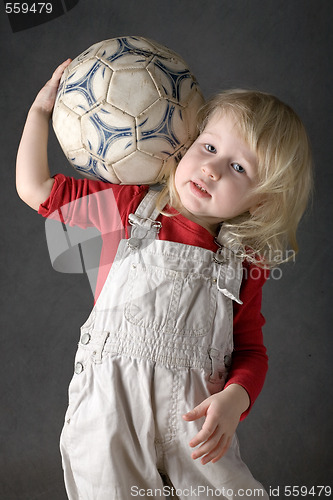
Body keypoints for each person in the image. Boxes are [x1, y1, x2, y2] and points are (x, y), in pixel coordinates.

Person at [16, 60, 313, 500]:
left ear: (263, 202)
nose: (212, 169)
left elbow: (251, 350)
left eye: (238, 169)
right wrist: (39, 113)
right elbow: (35, 187)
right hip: (110, 417)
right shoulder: (129, 207)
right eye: (209, 148)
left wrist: (235, 400)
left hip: (195, 428)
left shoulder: (244, 260)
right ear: (190, 142)